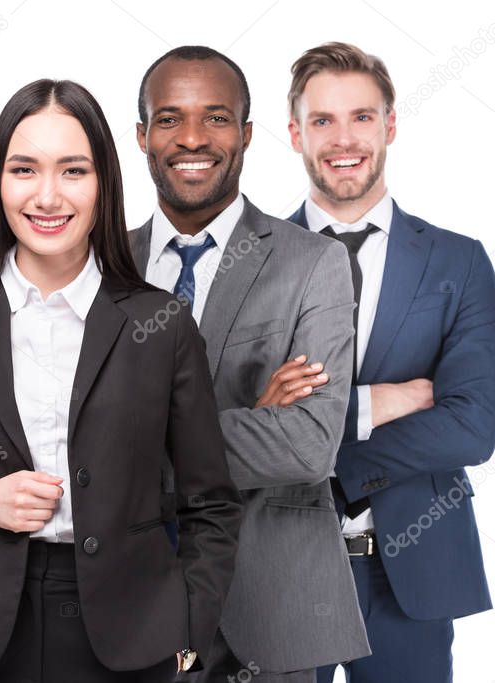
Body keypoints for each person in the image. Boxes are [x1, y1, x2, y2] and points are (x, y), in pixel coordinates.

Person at [0, 78, 242, 683]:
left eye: (74, 171)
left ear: (104, 183)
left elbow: (209, 504)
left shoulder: (160, 323)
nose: (48, 196)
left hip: (129, 638)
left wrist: (186, 632)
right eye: (25, 169)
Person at [128, 46, 371, 682]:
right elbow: (64, 440)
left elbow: (312, 445)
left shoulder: (313, 262)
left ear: (247, 134)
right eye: (169, 118)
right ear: (142, 135)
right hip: (126, 606)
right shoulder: (103, 271)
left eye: (216, 118)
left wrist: (135, 442)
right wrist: (251, 416)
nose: (192, 139)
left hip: (267, 611)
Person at [282, 42, 495, 683]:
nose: (342, 138)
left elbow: (473, 427)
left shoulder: (458, 263)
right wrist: (383, 402)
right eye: (322, 120)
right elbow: (231, 417)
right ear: (296, 132)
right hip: (281, 566)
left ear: (390, 125)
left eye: (361, 116)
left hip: (413, 565)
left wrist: (323, 451)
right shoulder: (250, 257)